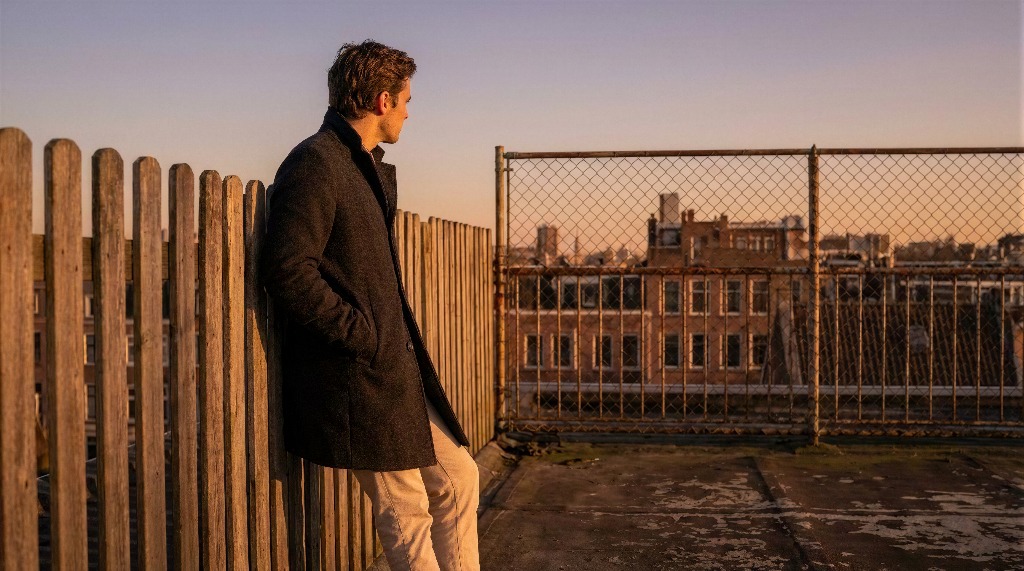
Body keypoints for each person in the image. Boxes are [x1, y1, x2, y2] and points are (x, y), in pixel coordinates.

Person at [260, 39, 480, 571]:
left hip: (392, 373)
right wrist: (363, 335)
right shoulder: (315, 163)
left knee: (458, 477)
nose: (409, 110)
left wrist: (381, 339)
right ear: (382, 101)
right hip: (356, 377)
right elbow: (288, 269)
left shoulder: (360, 166)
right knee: (406, 513)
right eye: (406, 99)